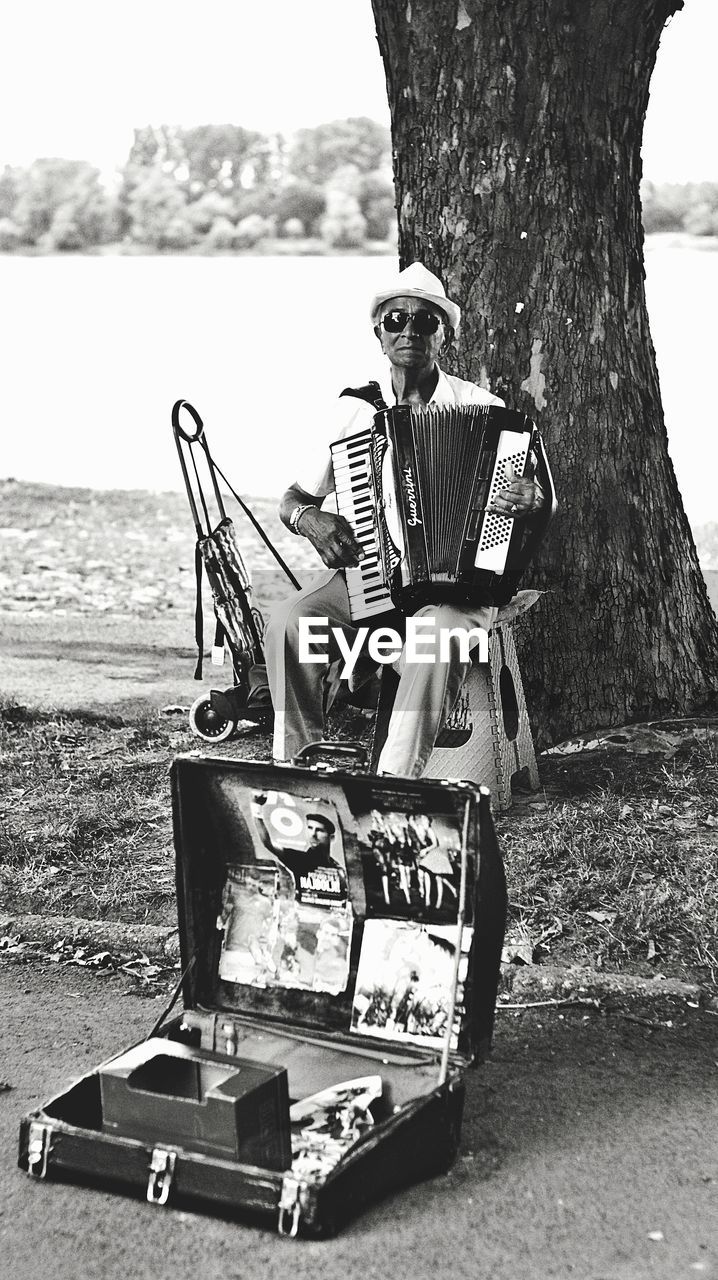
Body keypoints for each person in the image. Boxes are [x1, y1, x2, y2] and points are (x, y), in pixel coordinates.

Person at [264, 261, 548, 777]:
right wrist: (311, 518)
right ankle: (298, 767)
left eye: (425, 322)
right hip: (370, 581)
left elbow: (534, 500)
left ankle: (394, 784)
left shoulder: (483, 410)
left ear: (445, 334)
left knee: (436, 634)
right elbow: (291, 498)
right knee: (289, 622)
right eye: (396, 320)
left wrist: (529, 499)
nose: (409, 331)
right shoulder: (353, 410)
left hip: (459, 590)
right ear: (378, 333)